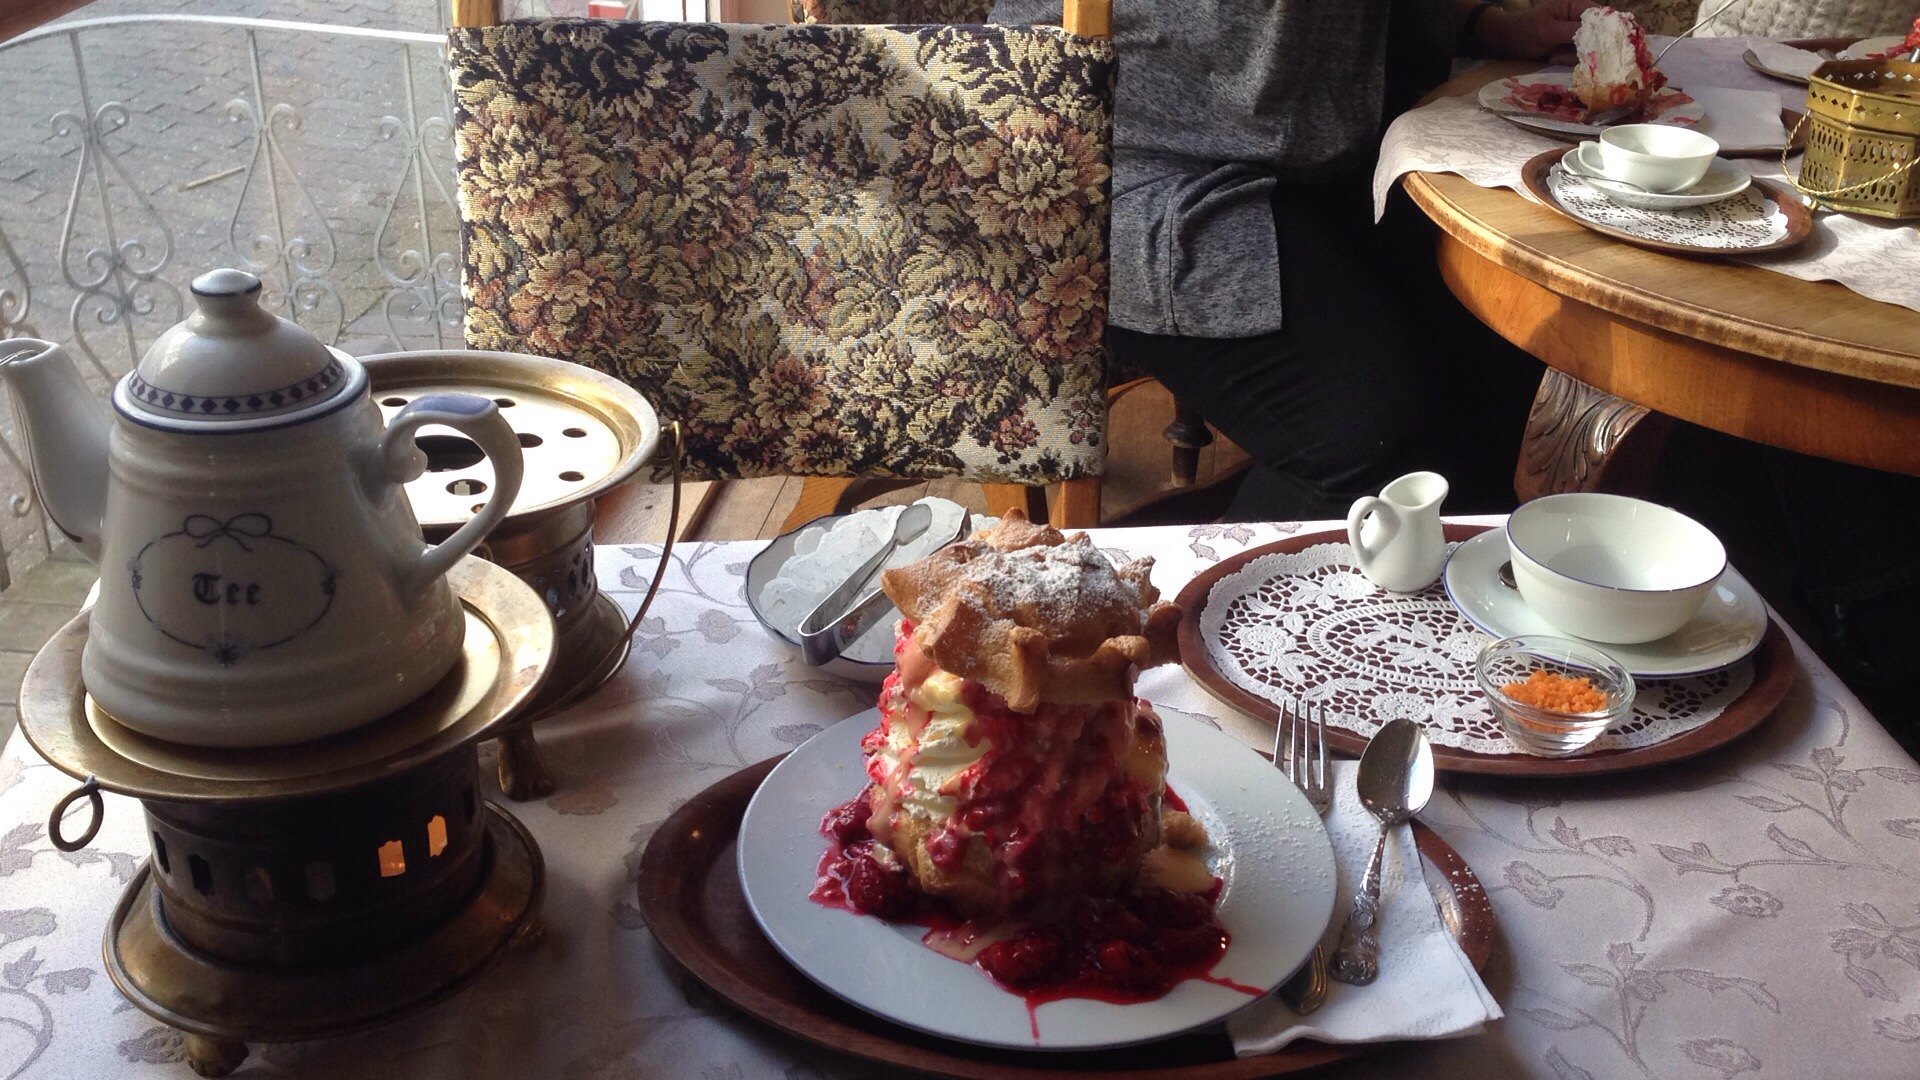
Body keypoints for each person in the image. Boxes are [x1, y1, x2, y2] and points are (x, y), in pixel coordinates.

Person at [990, 0, 1596, 519]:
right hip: (1107, 159)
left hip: (1307, 161)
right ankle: (1197, 608)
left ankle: (1458, 592)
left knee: (1516, 351)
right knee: (1367, 441)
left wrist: (1485, 24)